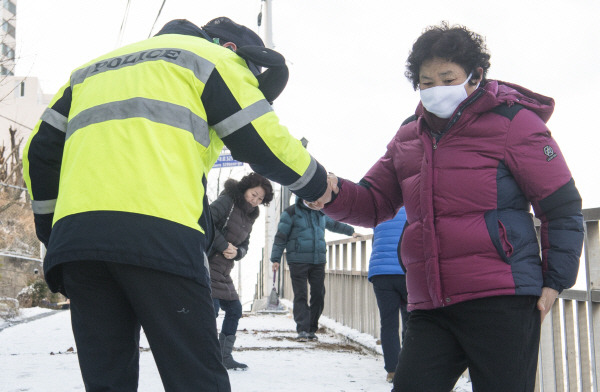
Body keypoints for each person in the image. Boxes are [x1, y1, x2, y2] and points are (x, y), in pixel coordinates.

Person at [22, 16, 333, 392]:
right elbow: (262, 138)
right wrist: (319, 184)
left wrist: (55, 233)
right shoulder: (211, 59)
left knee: (107, 382)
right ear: (232, 49)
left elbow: (38, 153)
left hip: (80, 245)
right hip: (160, 236)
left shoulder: (88, 72)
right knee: (196, 379)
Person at [313, 22, 584, 392]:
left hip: (501, 298)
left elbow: (561, 205)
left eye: (447, 77)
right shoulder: (409, 136)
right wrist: (331, 194)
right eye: (426, 81)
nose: (436, 88)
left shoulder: (514, 124)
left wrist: (555, 280)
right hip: (430, 304)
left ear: (475, 75)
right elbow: (374, 203)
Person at [270, 196, 360, 341]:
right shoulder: (291, 212)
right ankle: (302, 330)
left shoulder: (321, 212)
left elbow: (335, 225)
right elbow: (281, 236)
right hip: (297, 260)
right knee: (301, 295)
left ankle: (312, 328)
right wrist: (275, 258)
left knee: (319, 294)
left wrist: (351, 232)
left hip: (318, 260)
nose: (319, 201)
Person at [209, 172, 273, 370]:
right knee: (211, 310)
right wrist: (223, 245)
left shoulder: (250, 215)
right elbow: (204, 222)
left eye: (260, 199)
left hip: (224, 270)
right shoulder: (227, 201)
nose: (255, 201)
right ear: (246, 188)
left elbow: (245, 244)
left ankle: (224, 356)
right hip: (207, 263)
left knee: (235, 310)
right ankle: (204, 357)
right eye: (253, 194)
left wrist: (237, 252)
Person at [368, 207, 408, 383]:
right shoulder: (414, 208)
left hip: (381, 273)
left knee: (388, 323)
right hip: (407, 271)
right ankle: (409, 367)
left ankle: (392, 370)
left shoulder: (379, 210)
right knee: (412, 321)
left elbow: (376, 241)